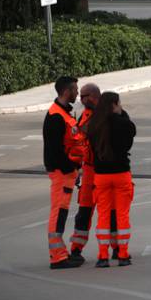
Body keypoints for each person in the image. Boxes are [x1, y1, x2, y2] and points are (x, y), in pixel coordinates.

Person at [69, 83, 119, 261]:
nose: (81, 100)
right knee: (84, 211)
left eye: (85, 96)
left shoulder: (107, 114)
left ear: (95, 96)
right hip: (89, 170)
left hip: (104, 169)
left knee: (112, 211)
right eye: (80, 96)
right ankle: (76, 249)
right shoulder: (85, 115)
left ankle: (116, 247)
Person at [88, 92, 136, 268]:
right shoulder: (123, 124)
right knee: (122, 214)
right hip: (121, 173)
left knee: (103, 214)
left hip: (101, 175)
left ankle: (102, 255)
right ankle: (122, 254)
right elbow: (131, 134)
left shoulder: (94, 125)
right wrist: (122, 114)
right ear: (115, 104)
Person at [43, 76, 84, 269]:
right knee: (58, 213)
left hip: (67, 173)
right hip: (62, 173)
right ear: (66, 91)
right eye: (75, 89)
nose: (78, 93)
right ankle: (57, 257)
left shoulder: (64, 113)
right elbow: (54, 150)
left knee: (61, 213)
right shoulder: (56, 116)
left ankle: (61, 253)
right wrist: (69, 167)